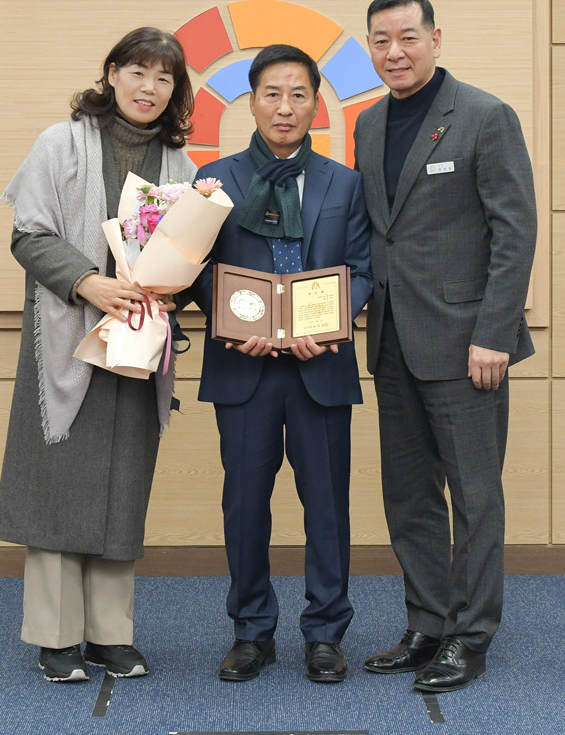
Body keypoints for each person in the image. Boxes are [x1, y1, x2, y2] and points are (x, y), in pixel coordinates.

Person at [0, 27, 196, 683]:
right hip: (68, 338)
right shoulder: (61, 143)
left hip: (138, 342)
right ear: (111, 74)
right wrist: (89, 282)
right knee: (60, 482)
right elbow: (29, 236)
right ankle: (55, 638)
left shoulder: (181, 167)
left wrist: (175, 283)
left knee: (123, 482)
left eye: (164, 77)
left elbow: (187, 255)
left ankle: (110, 635)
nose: (149, 87)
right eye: (138, 72)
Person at [352, 0, 536, 693]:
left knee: (476, 497)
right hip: (392, 340)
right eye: (381, 40)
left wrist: (494, 334)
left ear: (436, 38)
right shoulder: (369, 123)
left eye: (407, 36)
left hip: (468, 347)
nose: (394, 52)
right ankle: (427, 624)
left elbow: (515, 232)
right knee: (409, 496)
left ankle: (470, 636)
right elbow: (381, 233)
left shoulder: (485, 117)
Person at [188, 44, 373, 685]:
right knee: (245, 505)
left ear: (316, 103)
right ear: (252, 101)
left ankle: (325, 633)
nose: (285, 107)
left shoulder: (345, 183)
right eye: (272, 93)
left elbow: (362, 270)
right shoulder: (213, 181)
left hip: (322, 367)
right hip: (244, 369)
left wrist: (330, 324)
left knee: (327, 507)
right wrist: (233, 321)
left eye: (298, 94)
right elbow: (195, 269)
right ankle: (251, 632)